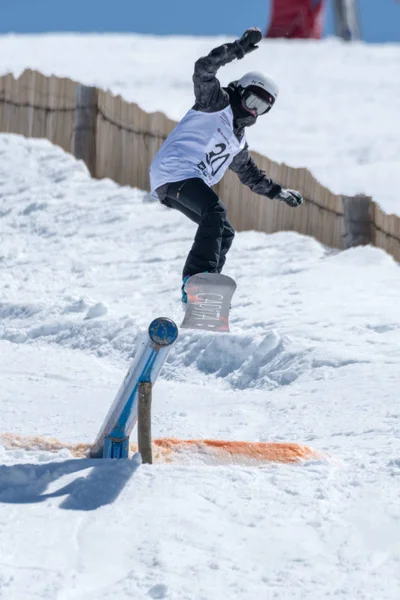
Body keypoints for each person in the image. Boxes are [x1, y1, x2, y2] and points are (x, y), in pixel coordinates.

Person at [150, 27, 303, 302]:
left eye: (263, 108)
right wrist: (239, 48)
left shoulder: (237, 140)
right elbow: (203, 69)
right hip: (175, 170)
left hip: (181, 181)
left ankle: (201, 296)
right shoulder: (215, 102)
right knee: (215, 210)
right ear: (241, 90)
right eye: (253, 100)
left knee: (226, 231)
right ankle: (196, 279)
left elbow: (250, 175)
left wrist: (279, 192)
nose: (254, 111)